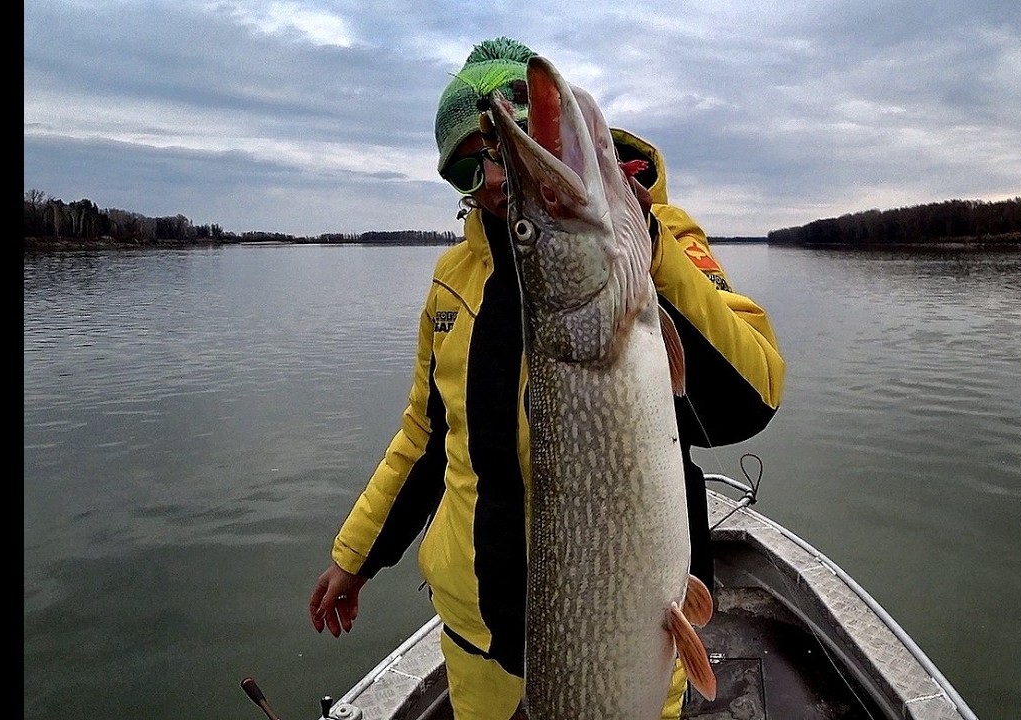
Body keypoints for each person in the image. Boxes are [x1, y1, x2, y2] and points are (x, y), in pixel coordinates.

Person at [309, 37, 785, 720]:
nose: (498, 177)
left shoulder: (663, 242)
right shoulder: (453, 281)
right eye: (468, 169)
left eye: (509, 145)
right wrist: (355, 555)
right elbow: (426, 435)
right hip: (477, 639)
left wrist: (650, 253)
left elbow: (754, 396)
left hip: (622, 635)